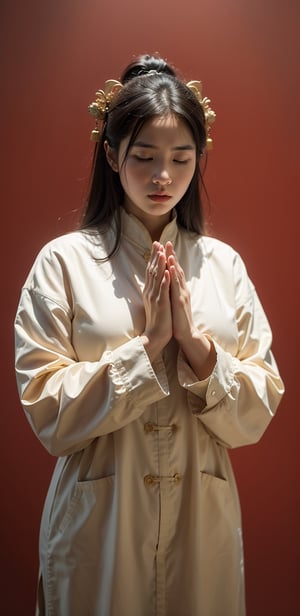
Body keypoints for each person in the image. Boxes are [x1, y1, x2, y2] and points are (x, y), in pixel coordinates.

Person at [14, 54, 284, 616]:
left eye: (182, 159)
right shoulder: (64, 264)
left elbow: (257, 410)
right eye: (144, 157)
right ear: (111, 155)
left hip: (198, 518)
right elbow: (47, 413)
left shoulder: (223, 266)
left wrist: (196, 346)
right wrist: (147, 348)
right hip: (101, 523)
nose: (164, 177)